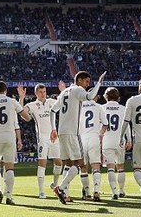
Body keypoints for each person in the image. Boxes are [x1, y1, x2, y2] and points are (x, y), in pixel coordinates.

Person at [50, 70, 106, 205]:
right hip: (72, 133)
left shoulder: (64, 92)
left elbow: (52, 110)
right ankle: (61, 188)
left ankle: (65, 193)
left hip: (62, 131)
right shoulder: (77, 90)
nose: (87, 84)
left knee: (68, 164)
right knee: (80, 164)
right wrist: (99, 83)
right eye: (86, 81)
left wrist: (53, 128)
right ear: (79, 80)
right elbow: (90, 96)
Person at [0, 81, 31, 205]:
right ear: (6, 91)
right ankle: (8, 196)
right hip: (10, 137)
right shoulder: (12, 102)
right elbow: (27, 117)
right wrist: (21, 99)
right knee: (9, 167)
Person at [17, 81, 65, 199]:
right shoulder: (33, 105)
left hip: (54, 137)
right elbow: (21, 111)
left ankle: (55, 184)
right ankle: (41, 191)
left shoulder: (51, 102)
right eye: (40, 92)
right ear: (36, 93)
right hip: (42, 139)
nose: (43, 94)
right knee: (42, 164)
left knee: (59, 162)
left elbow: (64, 103)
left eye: (44, 92)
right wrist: (21, 97)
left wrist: (63, 91)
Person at [102, 87, 132, 200]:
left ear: (106, 96)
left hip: (107, 140)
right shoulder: (123, 109)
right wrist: (129, 139)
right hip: (120, 141)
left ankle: (114, 192)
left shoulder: (101, 108)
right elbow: (127, 125)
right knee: (120, 167)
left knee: (110, 167)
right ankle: (121, 190)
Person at [79, 92, 108, 201]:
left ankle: (86, 194)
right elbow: (105, 123)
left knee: (83, 167)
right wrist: (100, 134)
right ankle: (96, 191)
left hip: (82, 138)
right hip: (94, 138)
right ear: (94, 96)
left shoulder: (80, 106)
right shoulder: (99, 107)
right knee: (96, 166)